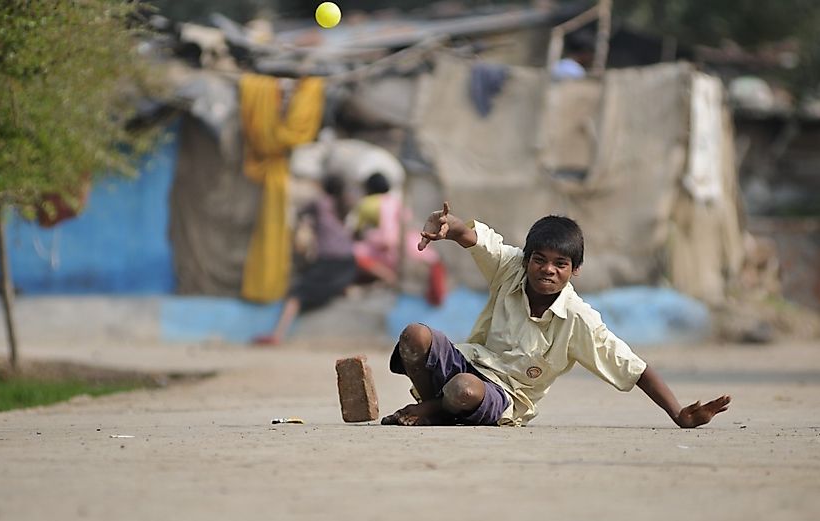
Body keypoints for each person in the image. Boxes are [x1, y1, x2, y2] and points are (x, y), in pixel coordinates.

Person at [381, 202, 732, 427]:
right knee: (416, 334)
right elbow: (474, 239)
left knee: (463, 390)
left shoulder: (578, 319)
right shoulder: (509, 269)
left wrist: (678, 414)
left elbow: (635, 368)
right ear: (527, 260)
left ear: (574, 270)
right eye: (539, 260)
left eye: (560, 264)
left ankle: (430, 410)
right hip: (472, 360)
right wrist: (451, 227)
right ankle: (431, 408)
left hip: (504, 395)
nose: (548, 270)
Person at [252, 175, 356, 345]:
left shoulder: (319, 203)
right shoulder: (344, 205)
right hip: (348, 263)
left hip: (329, 262)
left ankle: (277, 335)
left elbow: (297, 214)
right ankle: (344, 288)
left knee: (295, 295)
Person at [350, 172, 447, 305]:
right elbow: (406, 220)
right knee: (433, 259)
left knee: (354, 253)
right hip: (406, 245)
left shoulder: (367, 203)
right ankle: (437, 299)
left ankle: (386, 276)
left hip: (385, 248)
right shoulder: (396, 201)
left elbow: (356, 229)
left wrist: (369, 236)